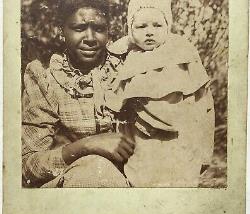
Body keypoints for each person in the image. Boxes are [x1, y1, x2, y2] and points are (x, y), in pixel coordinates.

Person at [22, 0, 136, 188]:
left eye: (99, 28)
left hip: (130, 181)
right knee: (94, 172)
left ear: (108, 32)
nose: (90, 37)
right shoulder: (46, 77)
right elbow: (28, 165)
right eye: (79, 28)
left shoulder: (128, 69)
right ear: (61, 31)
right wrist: (87, 145)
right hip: (72, 187)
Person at [106, 0, 215, 187]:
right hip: (143, 137)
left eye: (157, 25)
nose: (149, 31)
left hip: (180, 134)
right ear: (130, 29)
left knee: (180, 176)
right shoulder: (129, 57)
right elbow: (120, 103)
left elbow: (202, 101)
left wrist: (203, 146)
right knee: (143, 176)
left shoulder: (181, 52)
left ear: (168, 26)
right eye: (141, 26)